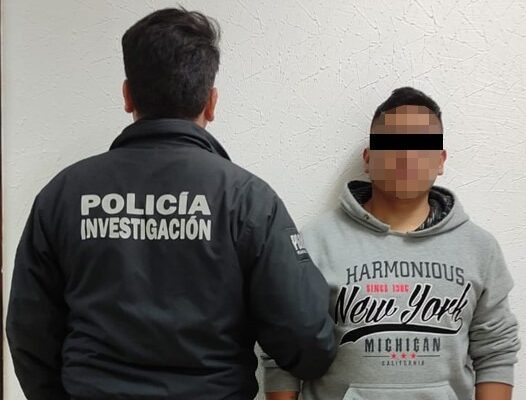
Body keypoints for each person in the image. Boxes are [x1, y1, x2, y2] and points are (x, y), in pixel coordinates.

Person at [6, 8, 336, 400]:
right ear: (211, 102)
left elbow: (28, 331)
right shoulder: (248, 200)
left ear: (127, 96)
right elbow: (306, 339)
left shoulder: (64, 194)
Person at [263, 87, 520, 400]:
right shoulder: (316, 242)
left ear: (440, 160)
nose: (407, 155)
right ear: (369, 159)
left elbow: (496, 351)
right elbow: (283, 348)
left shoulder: (479, 249)